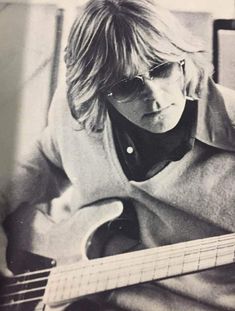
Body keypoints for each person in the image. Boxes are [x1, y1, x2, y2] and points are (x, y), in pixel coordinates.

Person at [0, 0, 235, 310]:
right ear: (96, 91)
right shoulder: (77, 111)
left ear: (182, 61)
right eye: (126, 85)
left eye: (161, 68)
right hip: (83, 295)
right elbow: (41, 161)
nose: (155, 96)